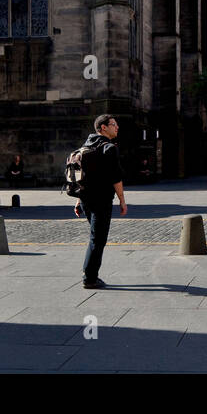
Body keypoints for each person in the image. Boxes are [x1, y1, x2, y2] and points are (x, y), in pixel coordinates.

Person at [72, 114, 127, 289]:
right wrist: (122, 200)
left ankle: (89, 274)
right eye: (113, 124)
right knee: (98, 239)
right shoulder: (109, 148)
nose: (117, 127)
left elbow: (82, 177)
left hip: (85, 199)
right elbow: (116, 178)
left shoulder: (86, 146)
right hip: (101, 200)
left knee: (96, 237)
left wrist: (78, 201)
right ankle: (90, 278)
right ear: (103, 127)